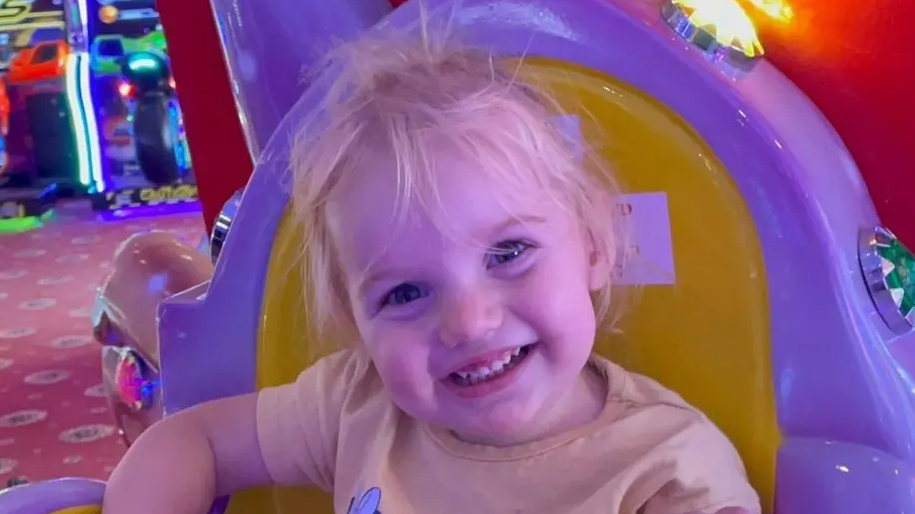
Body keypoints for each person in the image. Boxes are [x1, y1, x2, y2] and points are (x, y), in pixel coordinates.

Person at [102, 17, 761, 514]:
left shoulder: (669, 471)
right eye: (406, 292)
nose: (469, 323)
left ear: (592, 244)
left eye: (508, 254)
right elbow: (193, 443)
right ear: (355, 318)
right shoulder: (353, 403)